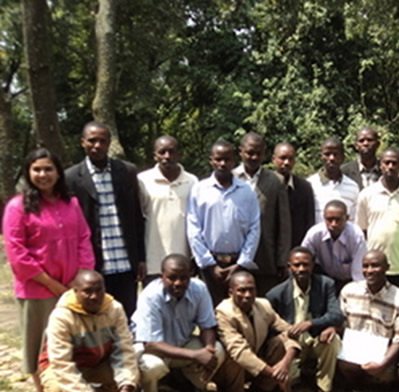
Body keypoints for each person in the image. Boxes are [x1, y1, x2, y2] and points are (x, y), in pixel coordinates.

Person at [3, 148, 95, 392]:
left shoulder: (72, 203)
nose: (43, 175)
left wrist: (81, 277)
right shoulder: (17, 207)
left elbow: (84, 240)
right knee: (39, 342)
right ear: (29, 173)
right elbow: (17, 252)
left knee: (72, 339)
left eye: (48, 169)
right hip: (37, 289)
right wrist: (51, 283)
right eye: (37, 169)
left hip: (72, 287)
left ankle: (73, 390)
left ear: (58, 172)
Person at [38, 270, 139, 392]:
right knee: (55, 390)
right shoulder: (61, 316)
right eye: (87, 291)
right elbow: (62, 364)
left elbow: (125, 350)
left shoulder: (114, 309)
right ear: (75, 291)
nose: (94, 296)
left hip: (97, 362)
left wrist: (126, 386)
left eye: (99, 290)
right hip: (59, 365)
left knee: (129, 377)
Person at [65, 121, 145, 317]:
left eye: (102, 141)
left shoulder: (127, 171)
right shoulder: (71, 177)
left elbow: (136, 216)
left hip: (125, 262)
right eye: (92, 140)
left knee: (127, 316)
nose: (97, 145)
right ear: (82, 142)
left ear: (109, 143)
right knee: (96, 317)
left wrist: (141, 258)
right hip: (94, 264)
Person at [131, 254, 226, 392]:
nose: (178, 283)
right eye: (172, 278)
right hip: (154, 350)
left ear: (191, 275)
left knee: (218, 350)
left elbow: (207, 325)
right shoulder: (150, 296)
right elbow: (150, 344)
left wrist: (208, 350)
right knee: (153, 367)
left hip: (182, 343)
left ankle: (185, 382)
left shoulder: (199, 288)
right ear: (162, 277)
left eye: (184, 278)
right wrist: (195, 355)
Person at [187, 139, 261, 305]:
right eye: (218, 159)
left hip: (238, 263)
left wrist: (242, 262)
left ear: (234, 161)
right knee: (210, 310)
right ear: (211, 160)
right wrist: (210, 264)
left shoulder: (246, 191)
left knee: (239, 309)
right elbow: (193, 229)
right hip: (209, 264)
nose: (222, 163)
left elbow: (254, 229)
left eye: (227, 159)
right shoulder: (199, 190)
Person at [266, 247, 344, 392]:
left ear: (312, 266)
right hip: (291, 346)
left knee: (333, 339)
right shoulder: (275, 294)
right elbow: (271, 329)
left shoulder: (325, 284)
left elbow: (336, 315)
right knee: (290, 381)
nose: (301, 269)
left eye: (306, 264)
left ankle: (324, 387)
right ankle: (295, 377)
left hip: (316, 340)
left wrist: (311, 323)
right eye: (296, 265)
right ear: (289, 267)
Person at [213, 271, 300, 392]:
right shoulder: (223, 313)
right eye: (242, 290)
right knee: (234, 355)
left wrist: (285, 364)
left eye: (251, 290)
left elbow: (289, 332)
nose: (247, 295)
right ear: (231, 292)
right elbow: (240, 352)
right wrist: (275, 375)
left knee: (279, 342)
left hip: (257, 361)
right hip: (232, 369)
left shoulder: (263, 305)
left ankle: (262, 389)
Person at [356, 148, 399, 292]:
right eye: (387, 163)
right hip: (374, 267)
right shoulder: (366, 194)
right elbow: (362, 231)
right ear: (380, 165)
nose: (390, 167)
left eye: (394, 163)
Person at [338, 250, 399, 386]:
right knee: (342, 362)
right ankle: (357, 385)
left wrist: (383, 363)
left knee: (387, 376)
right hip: (353, 353)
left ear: (387, 268)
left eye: (375, 265)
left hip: (382, 356)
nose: (369, 270)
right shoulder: (349, 291)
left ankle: (375, 384)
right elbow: (340, 324)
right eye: (365, 266)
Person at [234, 132, 291, 295]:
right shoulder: (230, 178)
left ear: (264, 154)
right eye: (250, 152)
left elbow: (284, 224)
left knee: (265, 307)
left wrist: (282, 259)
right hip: (236, 257)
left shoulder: (276, 180)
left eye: (258, 153)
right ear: (241, 152)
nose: (254, 157)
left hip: (266, 257)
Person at [137, 136, 197, 282]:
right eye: (162, 152)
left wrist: (194, 256)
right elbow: (136, 220)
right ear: (155, 155)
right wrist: (140, 258)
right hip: (153, 260)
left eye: (171, 152)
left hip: (183, 259)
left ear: (179, 154)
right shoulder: (142, 180)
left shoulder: (192, 181)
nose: (167, 156)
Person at [301, 199, 367, 293]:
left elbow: (358, 273)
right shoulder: (315, 234)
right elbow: (303, 258)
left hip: (348, 281)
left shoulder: (356, 236)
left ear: (347, 218)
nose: (333, 224)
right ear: (324, 218)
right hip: (325, 278)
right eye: (329, 219)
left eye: (338, 220)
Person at [272, 142, 315, 247]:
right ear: (273, 159)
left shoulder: (304, 187)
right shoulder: (265, 185)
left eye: (290, 159)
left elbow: (309, 221)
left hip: (296, 249)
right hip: (270, 249)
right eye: (282, 158)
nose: (286, 162)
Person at [308, 137, 360, 223]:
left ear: (343, 157)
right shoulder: (310, 184)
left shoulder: (353, 187)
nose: (332, 158)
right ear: (321, 156)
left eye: (336, 154)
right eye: (327, 154)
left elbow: (354, 220)